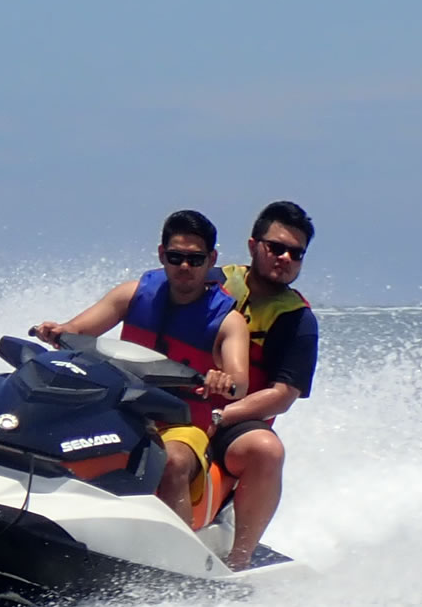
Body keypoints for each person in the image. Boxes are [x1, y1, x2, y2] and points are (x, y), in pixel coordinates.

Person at [33, 210, 248, 526]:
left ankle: (177, 564)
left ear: (211, 258)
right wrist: (56, 331)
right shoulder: (132, 295)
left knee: (173, 462)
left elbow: (240, 381)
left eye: (195, 259)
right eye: (175, 257)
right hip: (122, 409)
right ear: (162, 255)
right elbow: (78, 330)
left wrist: (224, 379)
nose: (184, 267)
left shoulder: (228, 322)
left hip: (183, 424)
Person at [210, 201, 317, 569]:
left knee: (267, 450)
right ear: (254, 245)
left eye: (296, 253)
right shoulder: (213, 281)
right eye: (276, 247)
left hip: (232, 427)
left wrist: (221, 415)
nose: (285, 257)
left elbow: (282, 396)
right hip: (171, 400)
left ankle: (238, 561)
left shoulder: (297, 320)